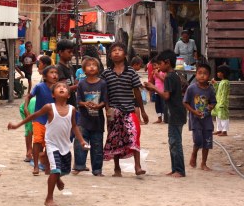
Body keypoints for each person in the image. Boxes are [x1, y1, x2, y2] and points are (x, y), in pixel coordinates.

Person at [8, 82, 88, 206]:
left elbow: (74, 126)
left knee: (64, 170)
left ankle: (57, 178)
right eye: (58, 87)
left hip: (65, 145)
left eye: (65, 88)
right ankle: (49, 198)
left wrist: (82, 141)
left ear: (68, 95)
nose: (62, 88)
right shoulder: (49, 107)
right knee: (55, 169)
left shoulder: (72, 109)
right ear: (52, 95)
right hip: (51, 144)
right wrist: (17, 125)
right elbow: (34, 116)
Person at [102, 42, 148, 177]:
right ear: (110, 55)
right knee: (115, 139)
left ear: (125, 55)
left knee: (134, 135)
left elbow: (137, 92)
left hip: (129, 110)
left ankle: (137, 166)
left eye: (119, 50)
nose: (116, 52)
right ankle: (117, 168)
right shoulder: (106, 73)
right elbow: (104, 93)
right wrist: (107, 108)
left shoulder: (131, 72)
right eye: (113, 50)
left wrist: (143, 111)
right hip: (113, 111)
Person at [145, 49, 186, 178]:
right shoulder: (173, 76)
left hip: (176, 113)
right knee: (173, 141)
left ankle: (179, 170)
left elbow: (166, 96)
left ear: (167, 63)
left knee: (175, 142)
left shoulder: (169, 77)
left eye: (160, 64)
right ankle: (175, 169)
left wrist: (154, 87)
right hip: (176, 113)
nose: (159, 67)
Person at [73, 57, 108, 176]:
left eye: (94, 65)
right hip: (83, 119)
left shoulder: (102, 83)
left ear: (98, 69)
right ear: (84, 70)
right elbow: (78, 101)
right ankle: (79, 166)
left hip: (98, 120)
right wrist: (85, 104)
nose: (92, 67)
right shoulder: (81, 84)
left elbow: (105, 100)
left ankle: (97, 170)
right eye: (89, 65)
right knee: (81, 143)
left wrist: (99, 106)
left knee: (97, 145)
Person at [21, 66, 59, 175]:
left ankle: (46, 165)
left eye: (56, 73)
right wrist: (25, 107)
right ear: (45, 76)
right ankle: (36, 166)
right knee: (37, 141)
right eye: (51, 72)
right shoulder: (39, 87)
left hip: (52, 120)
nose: (54, 75)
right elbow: (29, 96)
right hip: (39, 119)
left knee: (49, 144)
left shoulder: (58, 88)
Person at [182, 64, 216, 171]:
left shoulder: (210, 89)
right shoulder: (191, 88)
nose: (202, 76)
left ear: (209, 76)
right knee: (197, 140)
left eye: (205, 74)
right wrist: (193, 112)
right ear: (196, 75)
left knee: (207, 141)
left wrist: (211, 106)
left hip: (207, 120)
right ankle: (194, 153)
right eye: (200, 73)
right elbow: (185, 103)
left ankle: (203, 163)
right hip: (195, 120)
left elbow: (213, 102)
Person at [56, 39, 78, 108]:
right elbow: (64, 88)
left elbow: (75, 81)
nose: (71, 54)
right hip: (64, 104)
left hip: (72, 101)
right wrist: (80, 85)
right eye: (69, 52)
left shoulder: (70, 67)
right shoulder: (59, 68)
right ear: (60, 52)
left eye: (72, 52)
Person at [212, 65, 231, 136]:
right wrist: (215, 84)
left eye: (218, 72)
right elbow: (218, 90)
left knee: (223, 117)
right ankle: (219, 129)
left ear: (223, 73)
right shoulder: (222, 82)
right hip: (219, 102)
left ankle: (224, 131)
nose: (217, 73)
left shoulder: (225, 82)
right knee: (218, 116)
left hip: (222, 103)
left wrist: (222, 103)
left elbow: (224, 94)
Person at [19, 95, 36, 162]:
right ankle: (29, 151)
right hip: (28, 108)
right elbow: (28, 96)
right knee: (29, 127)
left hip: (39, 108)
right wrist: (26, 108)